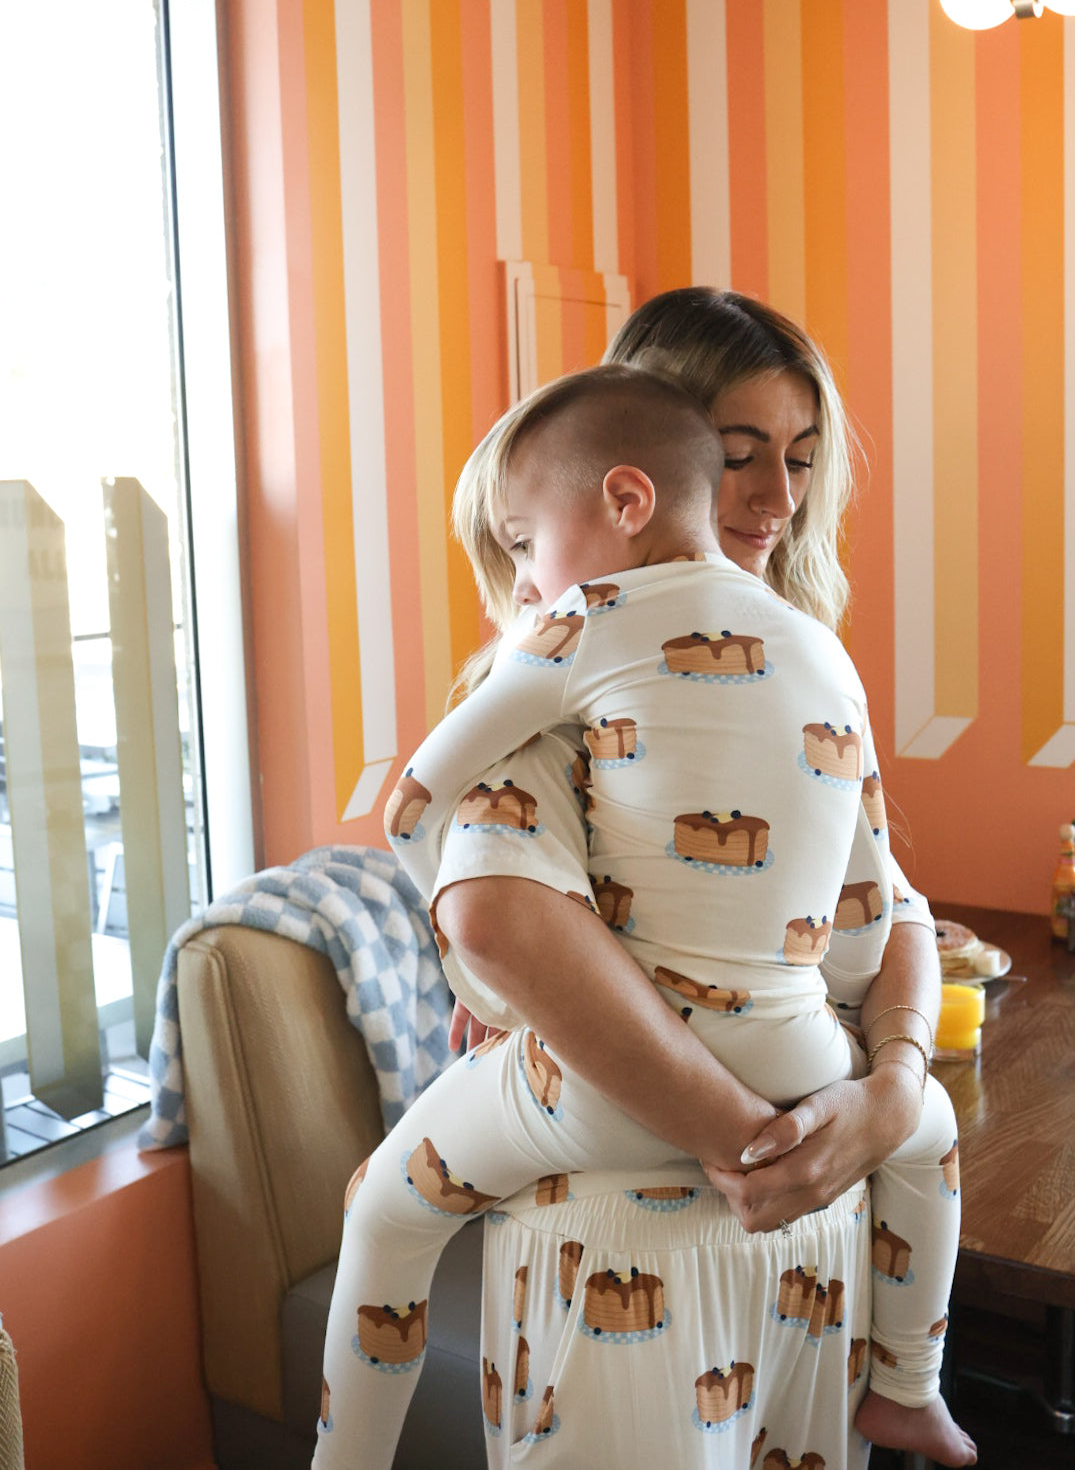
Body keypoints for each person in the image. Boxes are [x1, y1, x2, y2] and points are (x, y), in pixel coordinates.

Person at [313, 363, 973, 1468]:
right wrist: (866, 1084)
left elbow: (426, 825)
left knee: (382, 1206)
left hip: (656, 1146)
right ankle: (914, 1384)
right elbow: (866, 926)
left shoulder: (586, 631)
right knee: (935, 1142)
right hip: (773, 1110)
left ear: (621, 498)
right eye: (734, 453)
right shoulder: (824, 663)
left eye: (798, 458)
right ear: (658, 481)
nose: (770, 497)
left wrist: (420, 853)